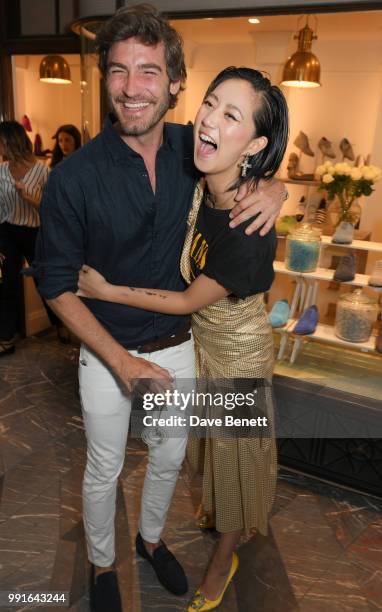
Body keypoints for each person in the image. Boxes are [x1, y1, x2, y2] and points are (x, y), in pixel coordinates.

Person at [31, 5, 286, 610]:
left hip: (180, 345)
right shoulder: (74, 178)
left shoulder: (189, 150)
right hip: (105, 351)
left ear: (175, 83)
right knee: (104, 469)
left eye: (148, 71)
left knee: (170, 458)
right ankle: (100, 565)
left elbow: (245, 160)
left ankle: (150, 541)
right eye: (118, 71)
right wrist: (119, 362)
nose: (131, 87)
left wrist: (276, 186)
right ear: (105, 81)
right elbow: (57, 283)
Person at [0, 120, 61, 356]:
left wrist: (29, 198)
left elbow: (52, 210)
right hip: (6, 233)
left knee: (45, 282)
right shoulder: (2, 170)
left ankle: (61, 325)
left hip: (34, 233)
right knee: (6, 285)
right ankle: (6, 338)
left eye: (2, 142)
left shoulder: (44, 171)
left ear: (11, 142)